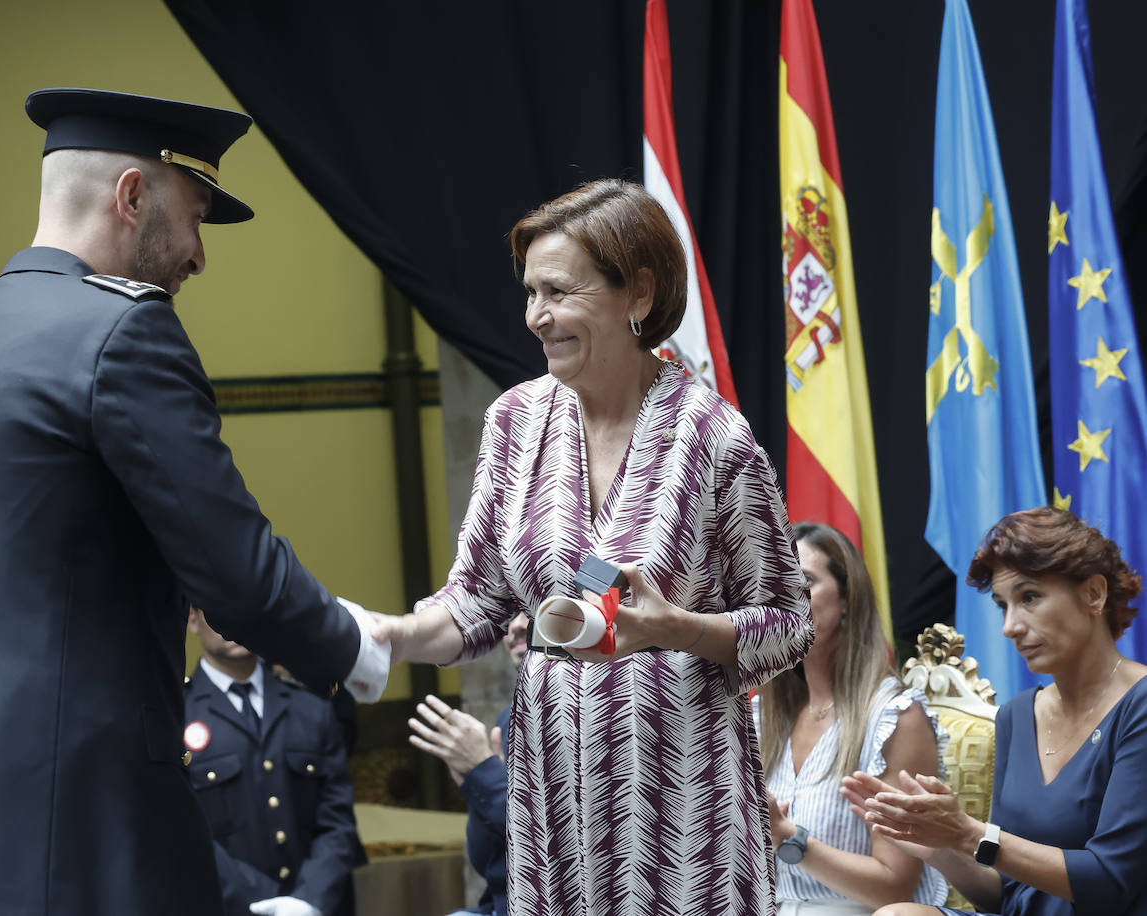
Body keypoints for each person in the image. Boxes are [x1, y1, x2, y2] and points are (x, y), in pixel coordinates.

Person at [0, 88, 388, 915]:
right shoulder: (122, 334)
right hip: (84, 837)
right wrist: (362, 646)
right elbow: (235, 573)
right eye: (196, 214)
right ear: (133, 197)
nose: (200, 255)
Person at [371, 178, 814, 916]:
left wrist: (676, 628)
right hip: (554, 799)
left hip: (684, 810)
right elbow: (477, 597)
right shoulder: (514, 421)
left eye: (557, 292)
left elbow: (787, 622)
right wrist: (393, 635)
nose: (535, 317)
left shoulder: (714, 437)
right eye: (528, 293)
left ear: (637, 293)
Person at [842, 507, 1147, 916]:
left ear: (1094, 593)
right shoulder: (1018, 715)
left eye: (1030, 597)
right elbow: (1001, 895)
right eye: (1003, 605)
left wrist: (968, 833)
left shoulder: (1139, 704)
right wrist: (938, 845)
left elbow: (1111, 881)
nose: (1010, 626)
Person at [754, 522, 947, 914]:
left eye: (803, 582)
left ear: (847, 600)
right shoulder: (757, 716)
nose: (786, 599)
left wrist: (789, 839)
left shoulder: (894, 717)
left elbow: (894, 889)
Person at [184, 608, 361, 916]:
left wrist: (308, 900)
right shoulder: (177, 714)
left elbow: (337, 821)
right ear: (193, 619)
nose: (235, 620)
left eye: (244, 608)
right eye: (218, 608)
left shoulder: (311, 709)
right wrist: (267, 904)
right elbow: (182, 833)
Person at [407, 613, 528, 916]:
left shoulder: (599, 714)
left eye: (530, 607)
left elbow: (560, 845)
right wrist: (475, 787)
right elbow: (487, 859)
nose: (516, 625)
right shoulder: (510, 717)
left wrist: (485, 774)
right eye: (510, 612)